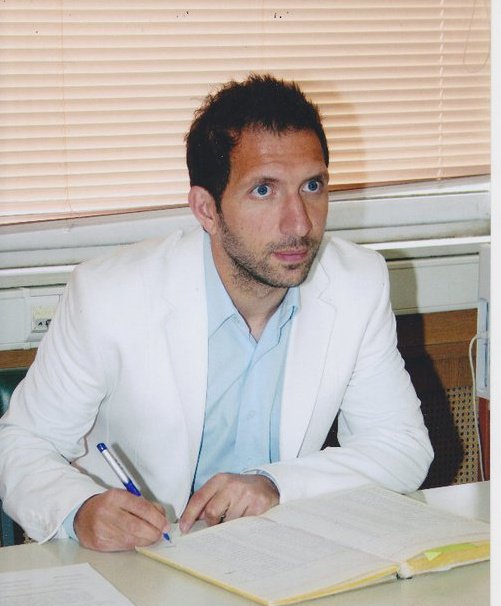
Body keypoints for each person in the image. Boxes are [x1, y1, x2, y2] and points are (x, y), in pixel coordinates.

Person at [0, 74, 433, 551]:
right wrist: (79, 510)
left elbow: (402, 447)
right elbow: (21, 444)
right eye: (264, 191)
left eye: (312, 185)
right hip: (140, 559)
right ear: (206, 210)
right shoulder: (108, 295)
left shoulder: (357, 283)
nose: (299, 223)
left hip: (279, 555)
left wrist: (275, 484)